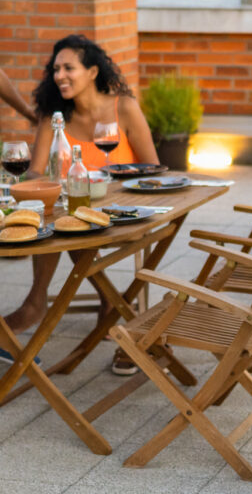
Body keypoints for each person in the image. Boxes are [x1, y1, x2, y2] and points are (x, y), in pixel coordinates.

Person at [3, 34, 159, 375]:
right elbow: (35, 170)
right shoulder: (54, 115)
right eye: (55, 69)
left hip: (124, 212)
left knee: (69, 220)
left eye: (68, 68)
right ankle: (104, 303)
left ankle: (49, 304)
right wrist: (17, 184)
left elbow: (152, 168)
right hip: (78, 211)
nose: (60, 75)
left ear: (91, 72)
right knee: (59, 216)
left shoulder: (124, 108)